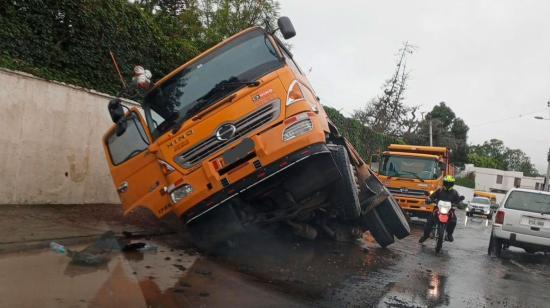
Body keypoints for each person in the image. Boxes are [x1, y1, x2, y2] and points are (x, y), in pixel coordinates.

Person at [419, 175, 462, 243]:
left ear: (452, 184)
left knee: (453, 221)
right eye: (447, 183)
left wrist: (459, 203)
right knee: (429, 221)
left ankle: (449, 234)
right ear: (444, 183)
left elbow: (458, 200)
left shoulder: (455, 192)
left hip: (449, 211)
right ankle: (425, 235)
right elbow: (432, 196)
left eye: (450, 183)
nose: (448, 185)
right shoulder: (439, 190)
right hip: (437, 209)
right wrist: (429, 200)